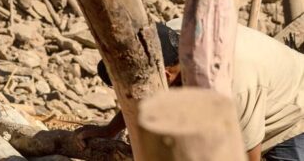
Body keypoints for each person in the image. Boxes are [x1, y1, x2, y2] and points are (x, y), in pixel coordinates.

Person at [78, 19, 304, 161]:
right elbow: (139, 95)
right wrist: (109, 130)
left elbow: (247, 155)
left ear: (164, 76)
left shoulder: (231, 85)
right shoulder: (159, 40)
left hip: (293, 109)